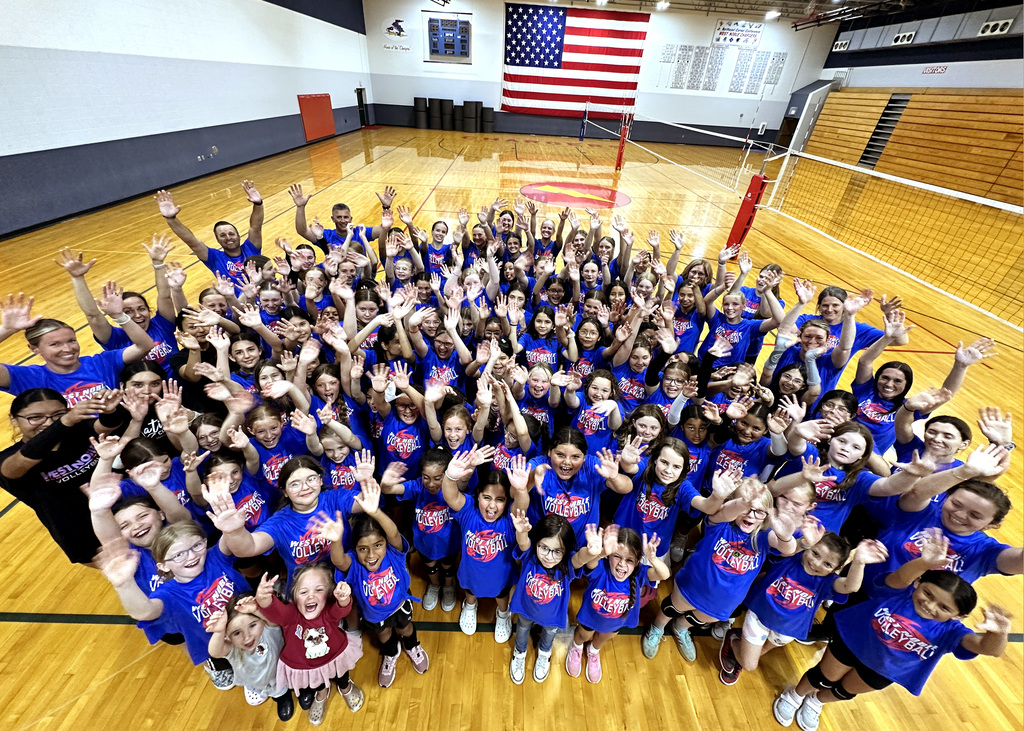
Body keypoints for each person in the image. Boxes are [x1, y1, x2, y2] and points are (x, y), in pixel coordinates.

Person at [772, 530, 1012, 731]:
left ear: (959, 615)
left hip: (886, 669)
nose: (930, 605)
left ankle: (816, 702)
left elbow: (986, 648)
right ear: (917, 583)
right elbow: (900, 576)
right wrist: (925, 563)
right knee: (822, 676)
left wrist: (999, 633)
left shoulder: (951, 632)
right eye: (928, 594)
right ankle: (795, 694)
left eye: (944, 607)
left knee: (844, 691)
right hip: (852, 642)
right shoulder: (898, 592)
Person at [641, 474, 802, 662]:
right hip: (692, 587)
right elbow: (724, 513)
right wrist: (743, 503)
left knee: (702, 618)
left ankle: (681, 627)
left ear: (766, 516)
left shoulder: (764, 537)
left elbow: (787, 549)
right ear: (733, 503)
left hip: (723, 602)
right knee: (673, 606)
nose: (751, 515)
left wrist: (786, 535)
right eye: (746, 507)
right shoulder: (719, 523)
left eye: (759, 511)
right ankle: (658, 626)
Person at [718, 535, 889, 686]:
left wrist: (859, 562)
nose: (816, 564)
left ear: (835, 570)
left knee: (763, 648)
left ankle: (745, 649)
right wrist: (804, 541)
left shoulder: (826, 582)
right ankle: (734, 640)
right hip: (760, 618)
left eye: (827, 564)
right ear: (809, 547)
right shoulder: (790, 559)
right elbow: (787, 546)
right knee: (749, 664)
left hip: (789, 630)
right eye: (815, 553)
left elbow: (850, 586)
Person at [315, 478, 429, 689]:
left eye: (378, 545)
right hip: (374, 615)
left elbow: (393, 532)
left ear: (385, 543)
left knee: (406, 628)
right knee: (384, 636)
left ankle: (412, 646)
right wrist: (335, 540)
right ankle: (391, 652)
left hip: (399, 606)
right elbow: (339, 561)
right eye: (363, 549)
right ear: (355, 549)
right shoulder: (355, 565)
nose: (371, 555)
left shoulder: (394, 554)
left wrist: (375, 511)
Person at [0, 388, 123, 564]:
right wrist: (64, 421)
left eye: (57, 415)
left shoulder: (78, 431)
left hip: (130, 515)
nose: (48, 423)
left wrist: (109, 410)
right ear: (13, 419)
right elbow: (30, 455)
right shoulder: (8, 460)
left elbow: (108, 425)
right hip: (89, 540)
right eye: (35, 418)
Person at [253, 566, 364, 723]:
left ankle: (345, 687)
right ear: (295, 596)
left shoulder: (328, 611)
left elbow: (342, 610)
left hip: (335, 654)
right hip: (307, 664)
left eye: (318, 590)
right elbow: (275, 611)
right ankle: (322, 694)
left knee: (341, 674)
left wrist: (343, 598)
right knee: (316, 682)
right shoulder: (290, 615)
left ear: (328, 594)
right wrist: (264, 599)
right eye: (303, 592)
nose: (311, 596)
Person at [440, 448, 530, 641]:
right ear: (478, 495)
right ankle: (470, 606)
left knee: (502, 596)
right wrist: (449, 477)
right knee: (470, 593)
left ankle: (503, 614)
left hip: (502, 576)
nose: (492, 506)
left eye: (500, 500)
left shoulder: (508, 519)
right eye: (487, 498)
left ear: (507, 501)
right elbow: (451, 496)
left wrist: (521, 490)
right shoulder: (468, 512)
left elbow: (521, 506)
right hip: (470, 574)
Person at [0, 294, 154, 403]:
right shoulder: (28, 377)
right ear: (34, 349)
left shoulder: (101, 362)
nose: (67, 348)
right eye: (55, 344)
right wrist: (6, 330)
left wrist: (120, 316)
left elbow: (145, 346)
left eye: (71, 341)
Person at [568, 526, 670, 683]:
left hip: (616, 623)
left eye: (629, 560)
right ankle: (577, 647)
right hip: (590, 618)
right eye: (617, 556)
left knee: (602, 639)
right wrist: (601, 551)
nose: (622, 564)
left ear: (636, 562)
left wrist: (653, 559)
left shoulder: (640, 574)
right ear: (609, 556)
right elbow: (590, 563)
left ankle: (593, 651)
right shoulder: (600, 569)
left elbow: (665, 575)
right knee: (583, 635)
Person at [508, 514, 600, 684]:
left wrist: (590, 552)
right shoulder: (530, 556)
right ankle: (519, 652)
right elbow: (523, 543)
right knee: (522, 628)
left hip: (552, 616)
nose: (549, 557)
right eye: (544, 548)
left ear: (565, 551)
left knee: (549, 633)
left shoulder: (567, 566)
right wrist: (521, 532)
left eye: (557, 551)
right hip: (526, 610)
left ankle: (544, 653)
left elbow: (580, 558)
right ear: (536, 543)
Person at [155, 182, 265, 288]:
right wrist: (171, 219)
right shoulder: (214, 257)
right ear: (217, 240)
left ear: (238, 235)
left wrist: (258, 204)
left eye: (231, 234)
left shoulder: (251, 248)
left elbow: (255, 227)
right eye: (222, 235)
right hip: (238, 304)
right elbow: (192, 242)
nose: (228, 238)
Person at [205, 595, 295, 720]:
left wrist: (256, 610)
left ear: (261, 620)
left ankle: (285, 697)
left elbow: (274, 620)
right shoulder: (233, 648)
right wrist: (219, 632)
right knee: (277, 694)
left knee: (284, 689)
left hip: (283, 674)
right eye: (237, 633)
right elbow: (215, 652)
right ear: (228, 636)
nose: (247, 637)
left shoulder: (269, 630)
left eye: (252, 626)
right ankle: (281, 698)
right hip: (257, 683)